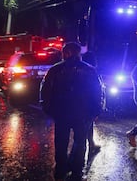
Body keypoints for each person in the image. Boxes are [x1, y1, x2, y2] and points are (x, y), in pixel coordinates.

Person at [40, 42, 103, 181]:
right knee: (80, 141)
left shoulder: (55, 70)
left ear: (65, 53)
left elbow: (45, 91)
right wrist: (96, 110)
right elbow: (97, 91)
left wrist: (48, 109)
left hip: (61, 112)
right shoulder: (89, 69)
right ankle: (77, 169)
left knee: (61, 141)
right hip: (83, 113)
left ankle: (61, 168)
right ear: (78, 53)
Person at [82, 49, 101, 155]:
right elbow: (96, 91)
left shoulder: (79, 69)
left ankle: (91, 144)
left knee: (88, 126)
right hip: (87, 104)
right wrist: (97, 108)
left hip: (79, 104)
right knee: (86, 126)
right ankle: (77, 158)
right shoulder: (91, 71)